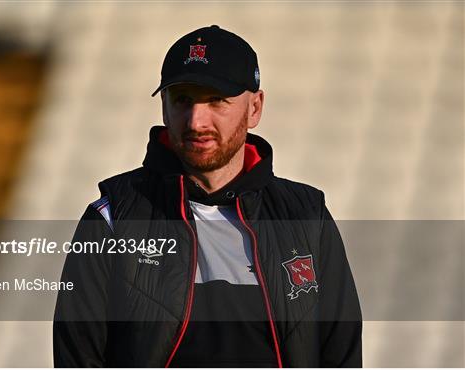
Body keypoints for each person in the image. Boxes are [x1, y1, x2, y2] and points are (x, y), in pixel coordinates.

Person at [53, 25, 362, 368]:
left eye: (216, 100)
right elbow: (78, 359)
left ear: (255, 108)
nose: (197, 121)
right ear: (164, 108)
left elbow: (342, 355)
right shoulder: (111, 218)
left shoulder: (307, 217)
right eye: (182, 100)